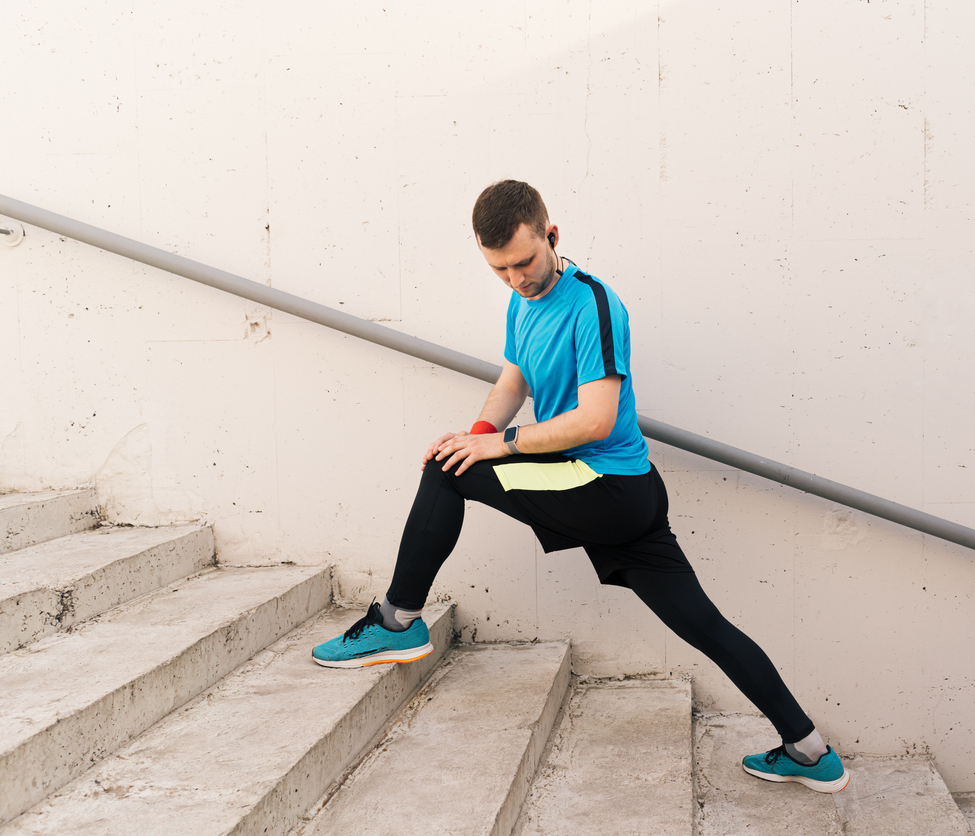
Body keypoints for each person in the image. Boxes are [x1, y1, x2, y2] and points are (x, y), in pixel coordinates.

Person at [311, 180, 849, 793]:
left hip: (605, 484)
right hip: (625, 496)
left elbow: (595, 419)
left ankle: (397, 619)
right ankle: (810, 751)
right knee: (705, 625)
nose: (516, 279)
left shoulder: (593, 304)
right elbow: (514, 377)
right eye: (500, 269)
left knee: (444, 471)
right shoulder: (522, 301)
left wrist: (500, 446)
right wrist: (480, 431)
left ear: (553, 236)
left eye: (525, 262)